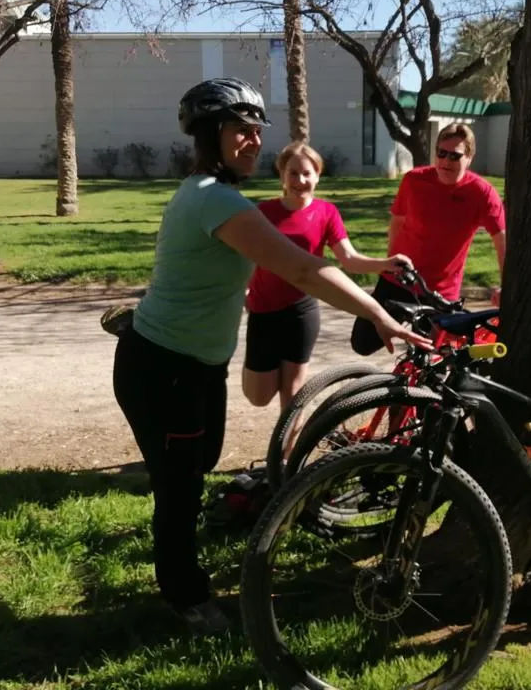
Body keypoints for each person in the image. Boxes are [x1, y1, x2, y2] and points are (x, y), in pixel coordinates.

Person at [111, 77, 429, 635]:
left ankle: (177, 541)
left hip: (192, 364)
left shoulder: (210, 192)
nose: (253, 140)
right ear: (211, 135)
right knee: (181, 489)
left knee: (198, 464)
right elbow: (302, 268)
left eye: (258, 131)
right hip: (167, 369)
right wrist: (380, 316)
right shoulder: (215, 198)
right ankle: (187, 599)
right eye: (240, 130)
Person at [242, 140, 412, 416]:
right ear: (282, 175)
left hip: (301, 311)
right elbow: (248, 257)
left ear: (318, 176)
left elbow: (349, 259)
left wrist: (385, 264)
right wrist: (243, 292)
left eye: (307, 173)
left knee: (294, 391)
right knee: (259, 396)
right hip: (263, 311)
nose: (300, 180)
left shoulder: (326, 213)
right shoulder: (264, 213)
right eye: (293, 173)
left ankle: (285, 457)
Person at [350, 122, 506, 356]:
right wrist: (389, 263)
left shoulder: (482, 193)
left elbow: (501, 240)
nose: (446, 161)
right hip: (398, 280)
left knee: (432, 359)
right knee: (362, 343)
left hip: (440, 293)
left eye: (455, 156)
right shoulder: (414, 180)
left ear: (470, 157)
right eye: (441, 153)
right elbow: (397, 224)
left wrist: (506, 285)